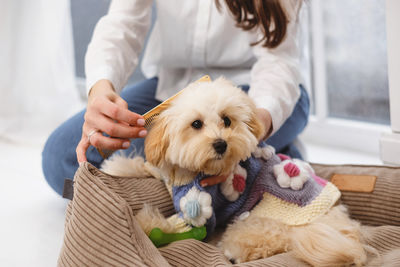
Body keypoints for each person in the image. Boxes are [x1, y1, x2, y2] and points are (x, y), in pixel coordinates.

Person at [42, 0, 309, 196]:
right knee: (61, 160)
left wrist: (255, 126)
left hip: (258, 91)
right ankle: (268, 164)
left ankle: (256, 159)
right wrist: (101, 89)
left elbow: (279, 61)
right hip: (175, 90)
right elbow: (122, 24)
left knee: (209, 169)